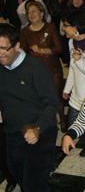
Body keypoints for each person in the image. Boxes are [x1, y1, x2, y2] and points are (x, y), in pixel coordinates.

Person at [0, 23, 58, 192]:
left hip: (40, 133)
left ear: (17, 46)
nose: (0, 53)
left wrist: (37, 128)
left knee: (34, 184)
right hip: (12, 133)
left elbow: (52, 102)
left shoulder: (35, 68)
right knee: (16, 171)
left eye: (4, 48)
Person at [19, 1, 65, 132]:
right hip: (35, 70)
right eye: (29, 12)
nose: (31, 14)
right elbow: (23, 53)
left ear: (41, 13)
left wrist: (41, 50)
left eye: (34, 11)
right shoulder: (25, 32)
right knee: (38, 98)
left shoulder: (50, 28)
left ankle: (62, 119)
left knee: (57, 95)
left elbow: (59, 48)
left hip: (52, 67)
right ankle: (44, 123)